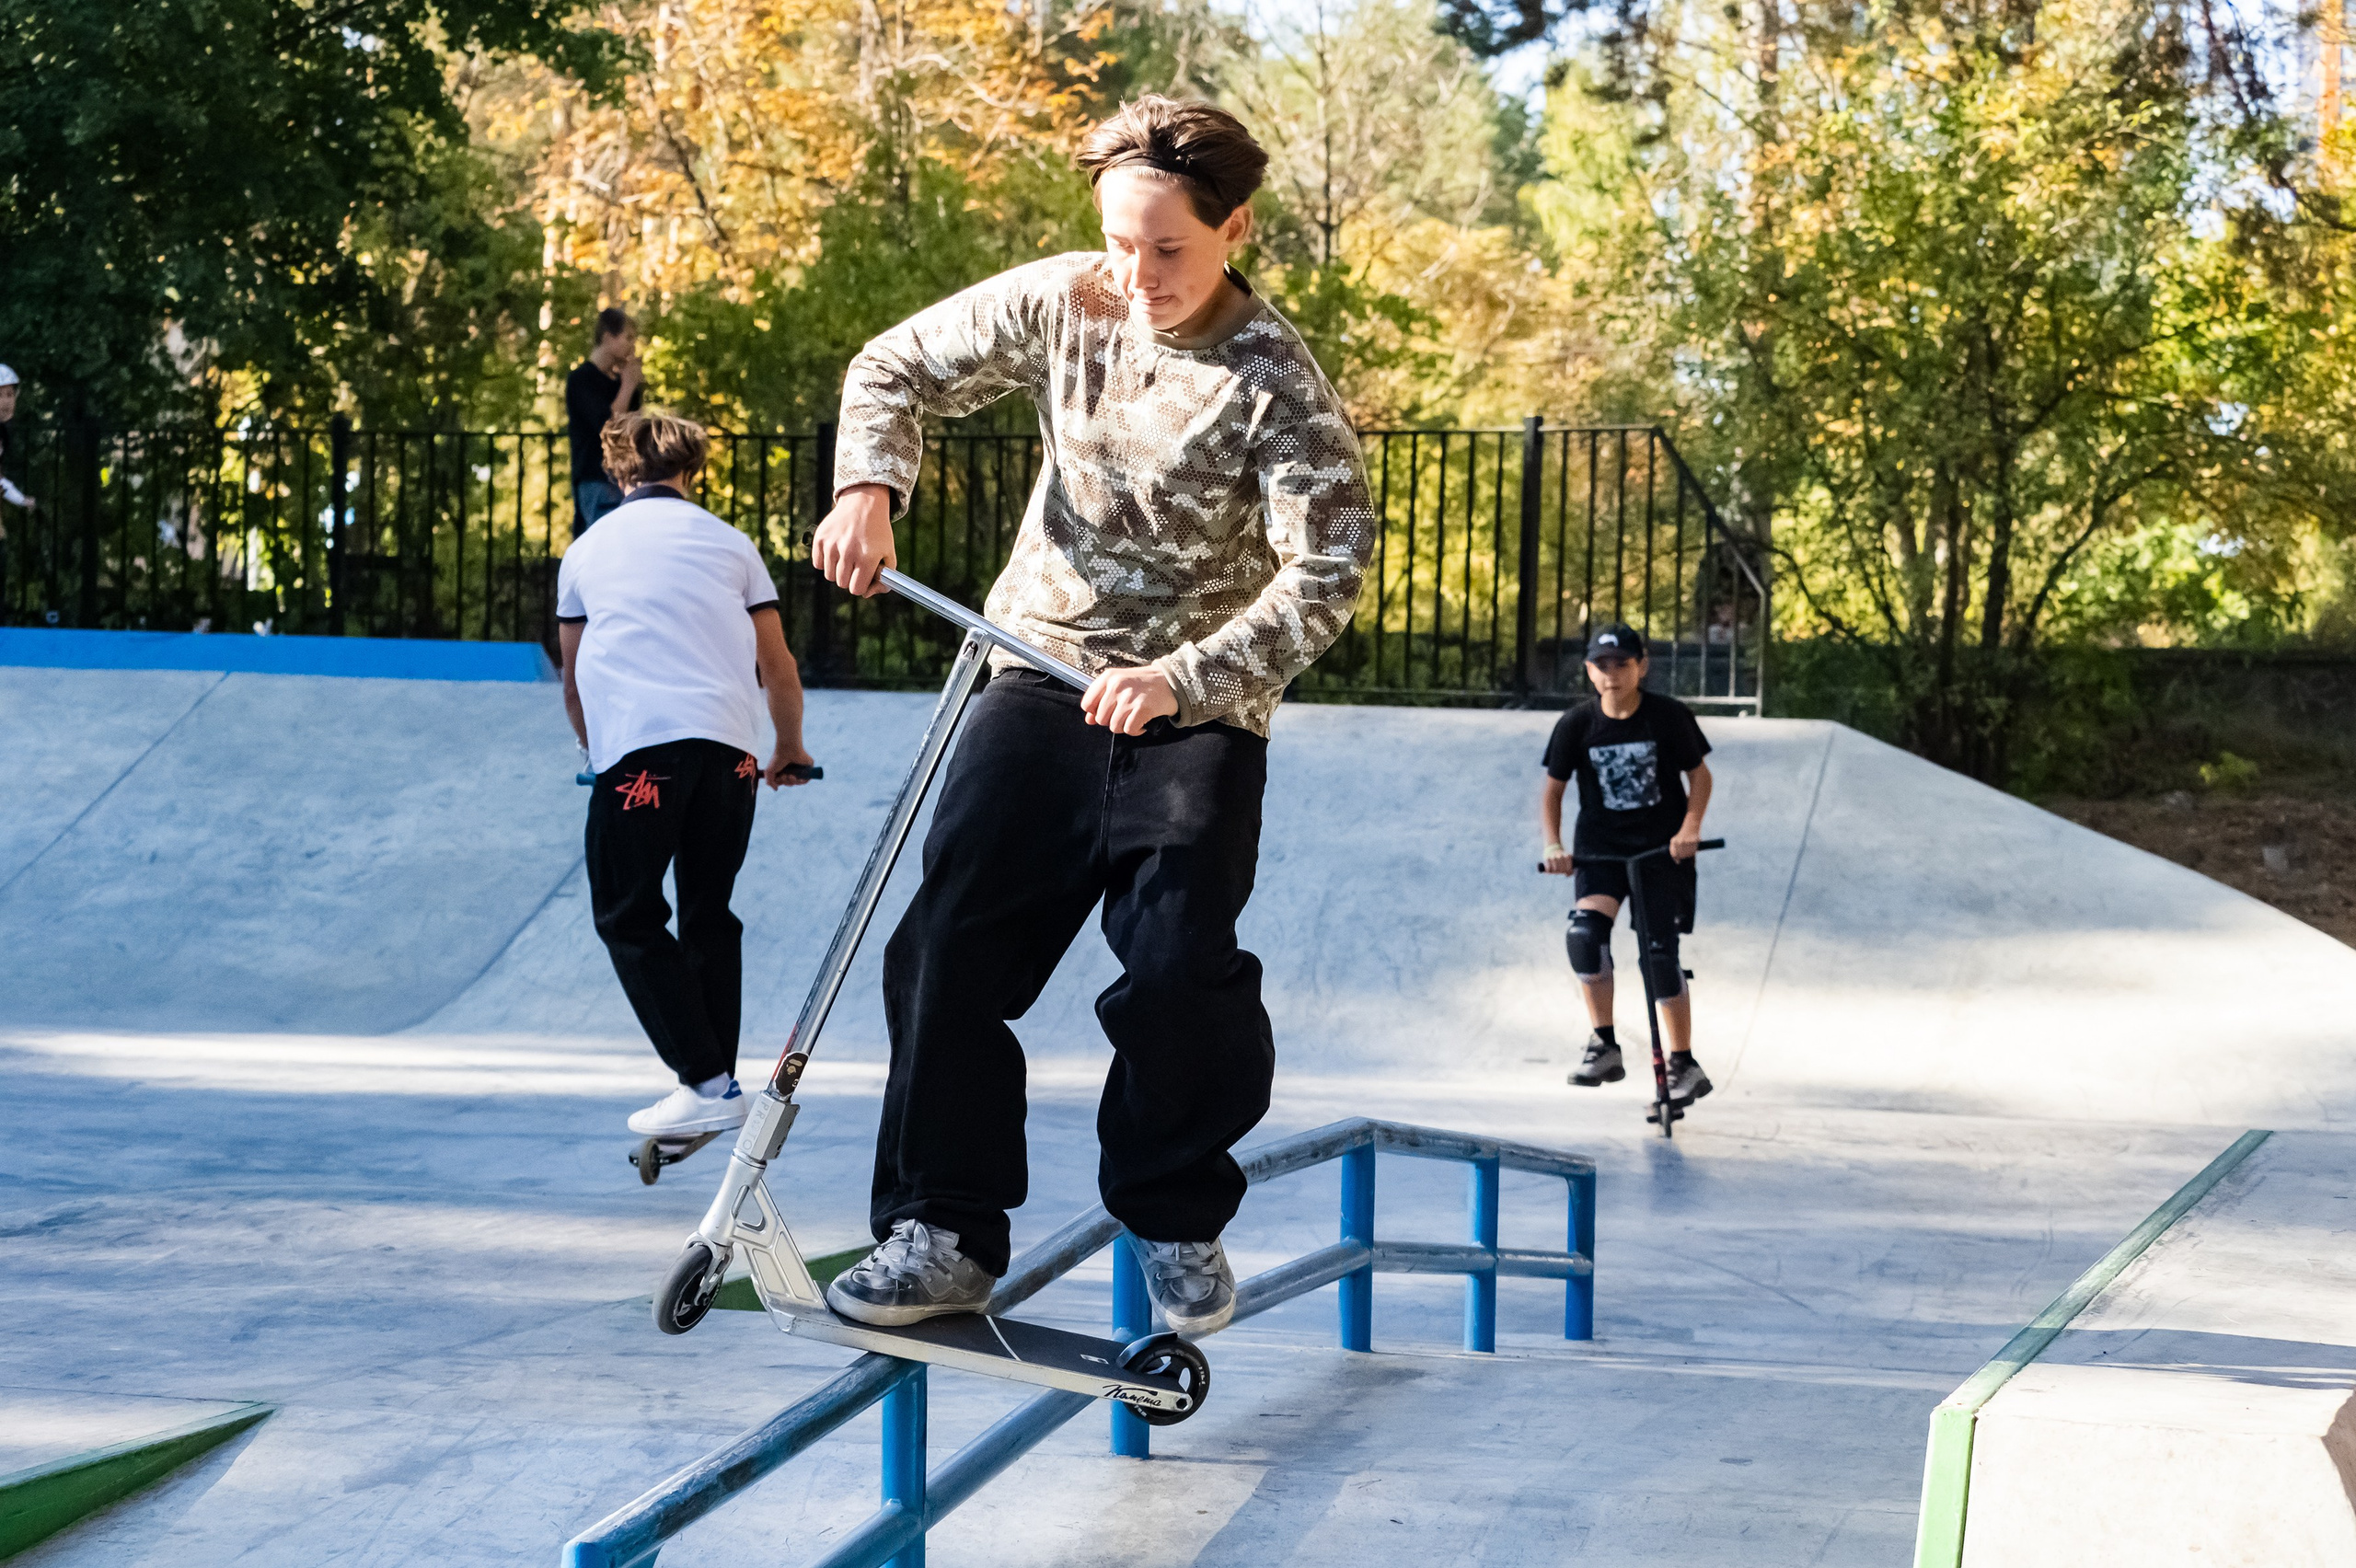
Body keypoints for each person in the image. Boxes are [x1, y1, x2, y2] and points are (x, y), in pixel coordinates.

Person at [807, 95, 1374, 1336]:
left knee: (1177, 964)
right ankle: (941, 1231)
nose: (1139, 274)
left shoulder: (1276, 382)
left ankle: (1174, 1214)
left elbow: (1328, 571)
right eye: (1121, 241)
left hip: (1197, 707)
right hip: (1041, 666)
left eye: (1168, 249)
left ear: (1236, 230)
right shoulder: (1069, 297)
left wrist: (1187, 679)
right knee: (946, 946)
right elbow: (891, 366)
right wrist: (867, 485)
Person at [556, 411, 817, 1141]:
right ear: (690, 471)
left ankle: (704, 1084)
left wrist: (593, 750)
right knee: (709, 913)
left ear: (616, 473)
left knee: (627, 912)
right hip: (729, 753)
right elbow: (778, 664)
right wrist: (787, 747)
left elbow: (574, 681)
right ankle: (715, 1081)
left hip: (640, 750)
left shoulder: (587, 549)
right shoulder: (733, 546)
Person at [1539, 624, 1716, 1105]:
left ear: (1642, 665)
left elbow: (1700, 777)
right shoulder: (1576, 724)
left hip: (1662, 852)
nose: (1612, 675)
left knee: (1659, 958)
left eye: (1622, 664)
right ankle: (1604, 1044)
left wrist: (1690, 829)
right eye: (1602, 665)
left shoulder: (1668, 717)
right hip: (1600, 851)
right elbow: (1553, 791)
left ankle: (1683, 1063)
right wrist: (1553, 845)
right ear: (1590, 671)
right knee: (1584, 937)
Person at [565, 309, 644, 536]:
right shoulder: (581, 380)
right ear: (608, 338)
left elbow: (635, 425)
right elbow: (607, 427)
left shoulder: (622, 383)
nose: (632, 345)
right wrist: (628, 386)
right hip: (597, 479)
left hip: (626, 480)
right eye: (628, 337)